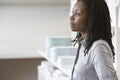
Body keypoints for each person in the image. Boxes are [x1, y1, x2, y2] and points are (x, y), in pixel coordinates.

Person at [70, 0, 118, 80]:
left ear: (92, 18)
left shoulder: (99, 47)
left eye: (78, 14)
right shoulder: (84, 44)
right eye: (73, 12)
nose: (71, 17)